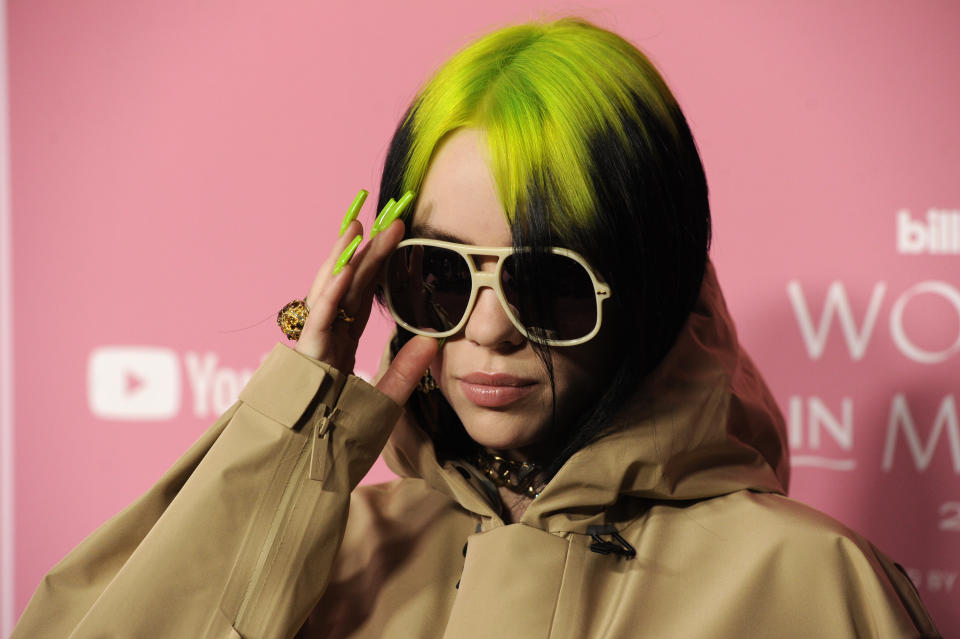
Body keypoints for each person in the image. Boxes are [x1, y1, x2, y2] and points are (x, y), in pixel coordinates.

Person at [11, 17, 940, 639]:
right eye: (438, 274)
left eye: (550, 283)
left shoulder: (813, 583)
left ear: (652, 287)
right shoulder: (330, 548)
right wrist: (298, 423)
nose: (487, 329)